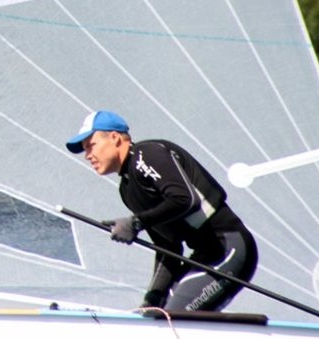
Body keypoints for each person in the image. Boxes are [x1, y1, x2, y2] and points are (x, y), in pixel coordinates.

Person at [65, 110, 258, 312]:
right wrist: (152, 298)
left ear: (114, 138)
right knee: (158, 313)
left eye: (91, 145)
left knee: (172, 317)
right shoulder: (127, 190)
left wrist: (136, 223)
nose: (88, 155)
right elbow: (169, 248)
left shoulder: (146, 154)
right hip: (204, 256)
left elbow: (185, 199)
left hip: (228, 247)